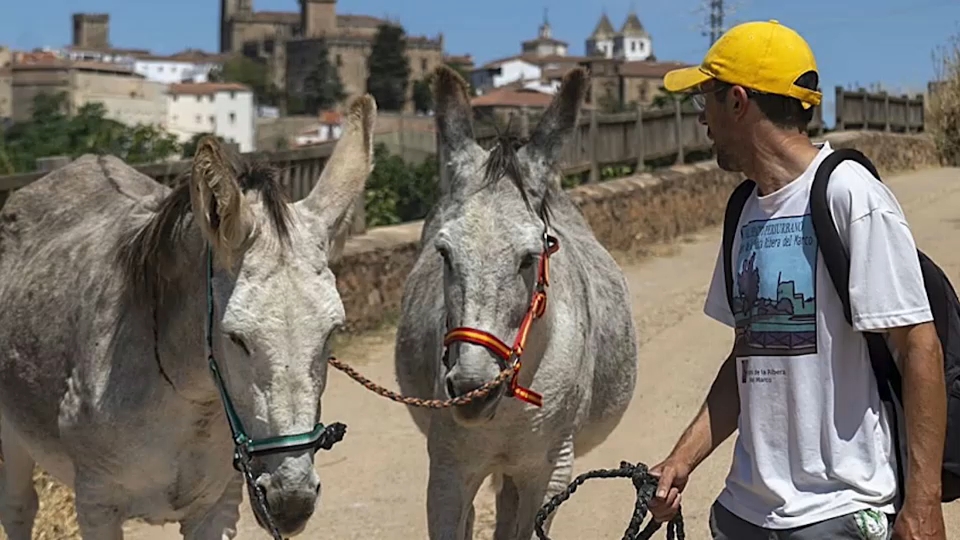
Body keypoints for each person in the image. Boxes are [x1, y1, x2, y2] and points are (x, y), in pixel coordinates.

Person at [647, 19, 947, 540]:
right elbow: (750, 358)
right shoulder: (743, 208)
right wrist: (682, 459)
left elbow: (919, 348)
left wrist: (921, 507)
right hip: (744, 515)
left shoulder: (850, 196)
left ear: (737, 102)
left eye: (705, 101)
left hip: (837, 512)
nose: (701, 120)